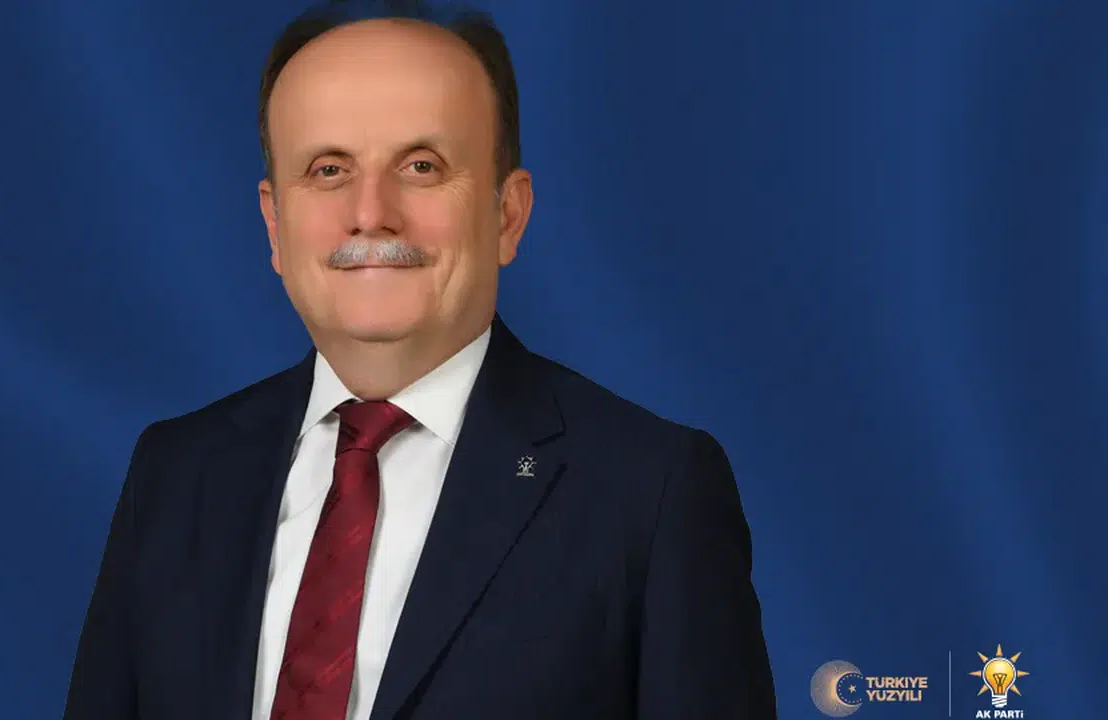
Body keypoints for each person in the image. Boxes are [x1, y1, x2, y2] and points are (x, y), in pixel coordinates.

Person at [62, 1, 777, 718]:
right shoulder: (175, 475)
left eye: (422, 166)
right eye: (329, 169)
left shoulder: (650, 493)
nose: (371, 212)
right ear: (275, 225)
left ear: (508, 214)